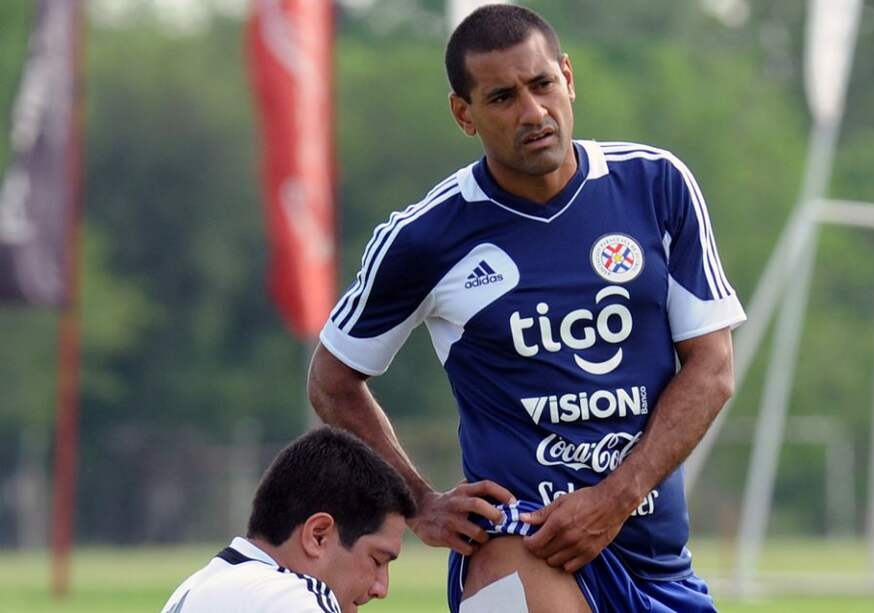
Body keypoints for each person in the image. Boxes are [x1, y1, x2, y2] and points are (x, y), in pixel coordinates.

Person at [309, 4, 746, 612]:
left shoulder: (656, 185)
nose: (533, 112)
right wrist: (419, 503)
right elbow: (333, 381)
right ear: (465, 114)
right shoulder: (425, 238)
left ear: (568, 77)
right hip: (518, 543)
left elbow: (713, 370)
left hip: (655, 558)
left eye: (542, 85)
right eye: (502, 97)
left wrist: (615, 499)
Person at [160, 427, 416, 613]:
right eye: (377, 560)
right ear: (318, 536)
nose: (381, 588)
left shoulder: (193, 589)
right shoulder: (285, 598)